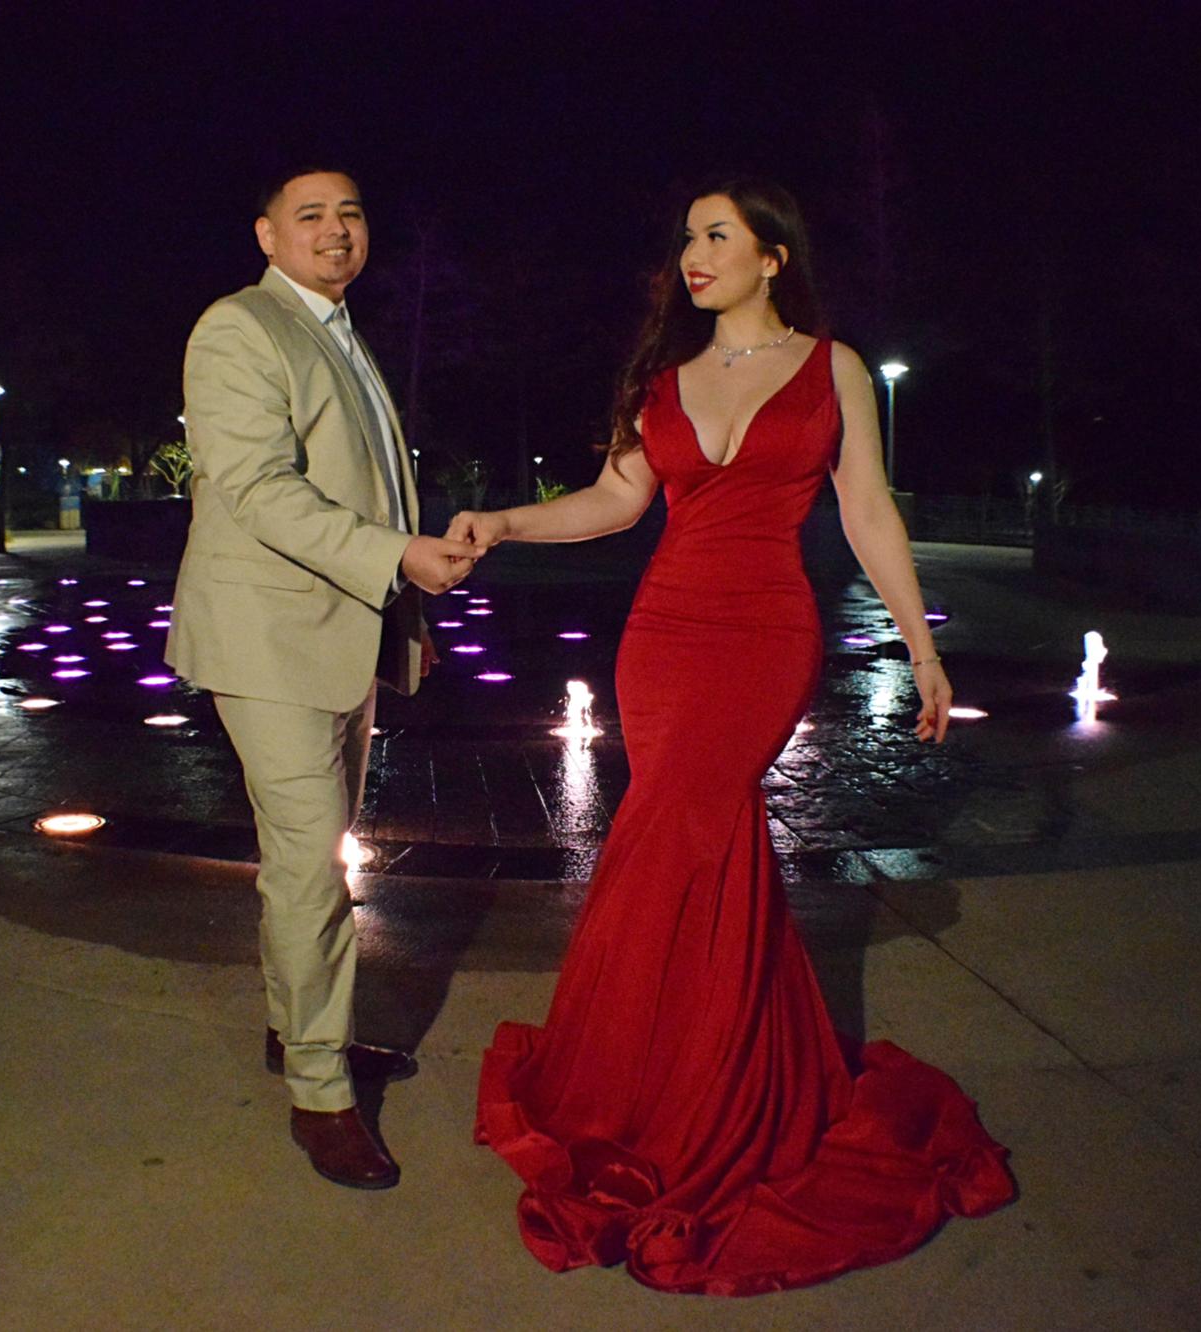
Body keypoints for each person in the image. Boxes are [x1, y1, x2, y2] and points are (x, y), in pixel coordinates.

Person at [456, 179, 1014, 1292]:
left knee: (689, 828)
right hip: (662, 634)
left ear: (772, 256)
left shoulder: (833, 368)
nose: (692, 253)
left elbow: (866, 510)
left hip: (764, 633)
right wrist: (504, 522)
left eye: (716, 235)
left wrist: (921, 645)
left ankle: (687, 1086)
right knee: (684, 843)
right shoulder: (662, 380)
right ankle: (677, 1070)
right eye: (686, 238)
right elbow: (615, 503)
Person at [168, 167, 481, 1190]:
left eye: (350, 213)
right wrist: (398, 559)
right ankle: (319, 1092)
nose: (336, 230)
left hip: (340, 635)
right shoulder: (238, 327)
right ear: (266, 234)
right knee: (311, 866)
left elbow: (372, 488)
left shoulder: (338, 330)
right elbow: (258, 490)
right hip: (266, 640)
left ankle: (293, 1025)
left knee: (311, 856)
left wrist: (408, 616)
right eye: (310, 215)